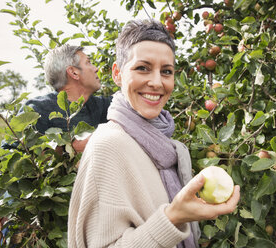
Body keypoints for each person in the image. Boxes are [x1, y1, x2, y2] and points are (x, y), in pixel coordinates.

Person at [68, 19, 240, 248]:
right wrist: (173, 217)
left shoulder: (171, 148)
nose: (157, 82)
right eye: (142, 68)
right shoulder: (108, 145)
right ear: (117, 74)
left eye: (166, 72)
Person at [2, 44, 112, 153]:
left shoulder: (100, 105)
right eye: (88, 63)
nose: (96, 68)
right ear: (73, 72)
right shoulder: (36, 111)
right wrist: (65, 149)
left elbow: (127, 99)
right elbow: (6, 157)